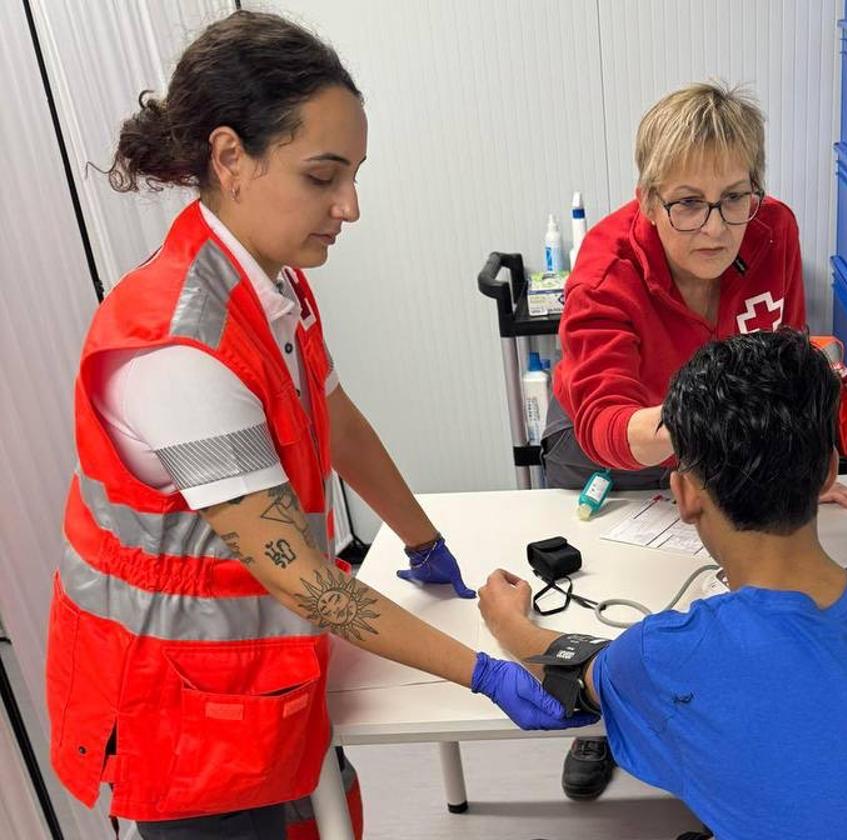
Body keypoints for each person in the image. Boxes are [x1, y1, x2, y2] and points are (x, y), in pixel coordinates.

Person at [45, 11, 590, 840]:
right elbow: (304, 577)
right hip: (182, 715)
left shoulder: (271, 285)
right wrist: (481, 674)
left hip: (263, 678)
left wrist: (419, 540)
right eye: (323, 176)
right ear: (230, 158)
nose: (351, 206)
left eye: (354, 174)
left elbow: (336, 418)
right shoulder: (179, 351)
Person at [480, 329, 847, 839]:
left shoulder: (664, 655)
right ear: (829, 473)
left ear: (685, 493)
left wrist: (511, 624)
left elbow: (574, 672)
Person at [542, 80, 847, 800]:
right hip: (616, 434)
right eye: (686, 202)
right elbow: (603, 426)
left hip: (704, 430)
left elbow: (777, 355)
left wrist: (803, 456)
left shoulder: (772, 229)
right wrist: (708, 421)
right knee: (614, 582)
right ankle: (600, 721)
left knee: (734, 578)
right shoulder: (604, 274)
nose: (714, 227)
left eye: (733, 196)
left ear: (755, 189)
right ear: (648, 197)